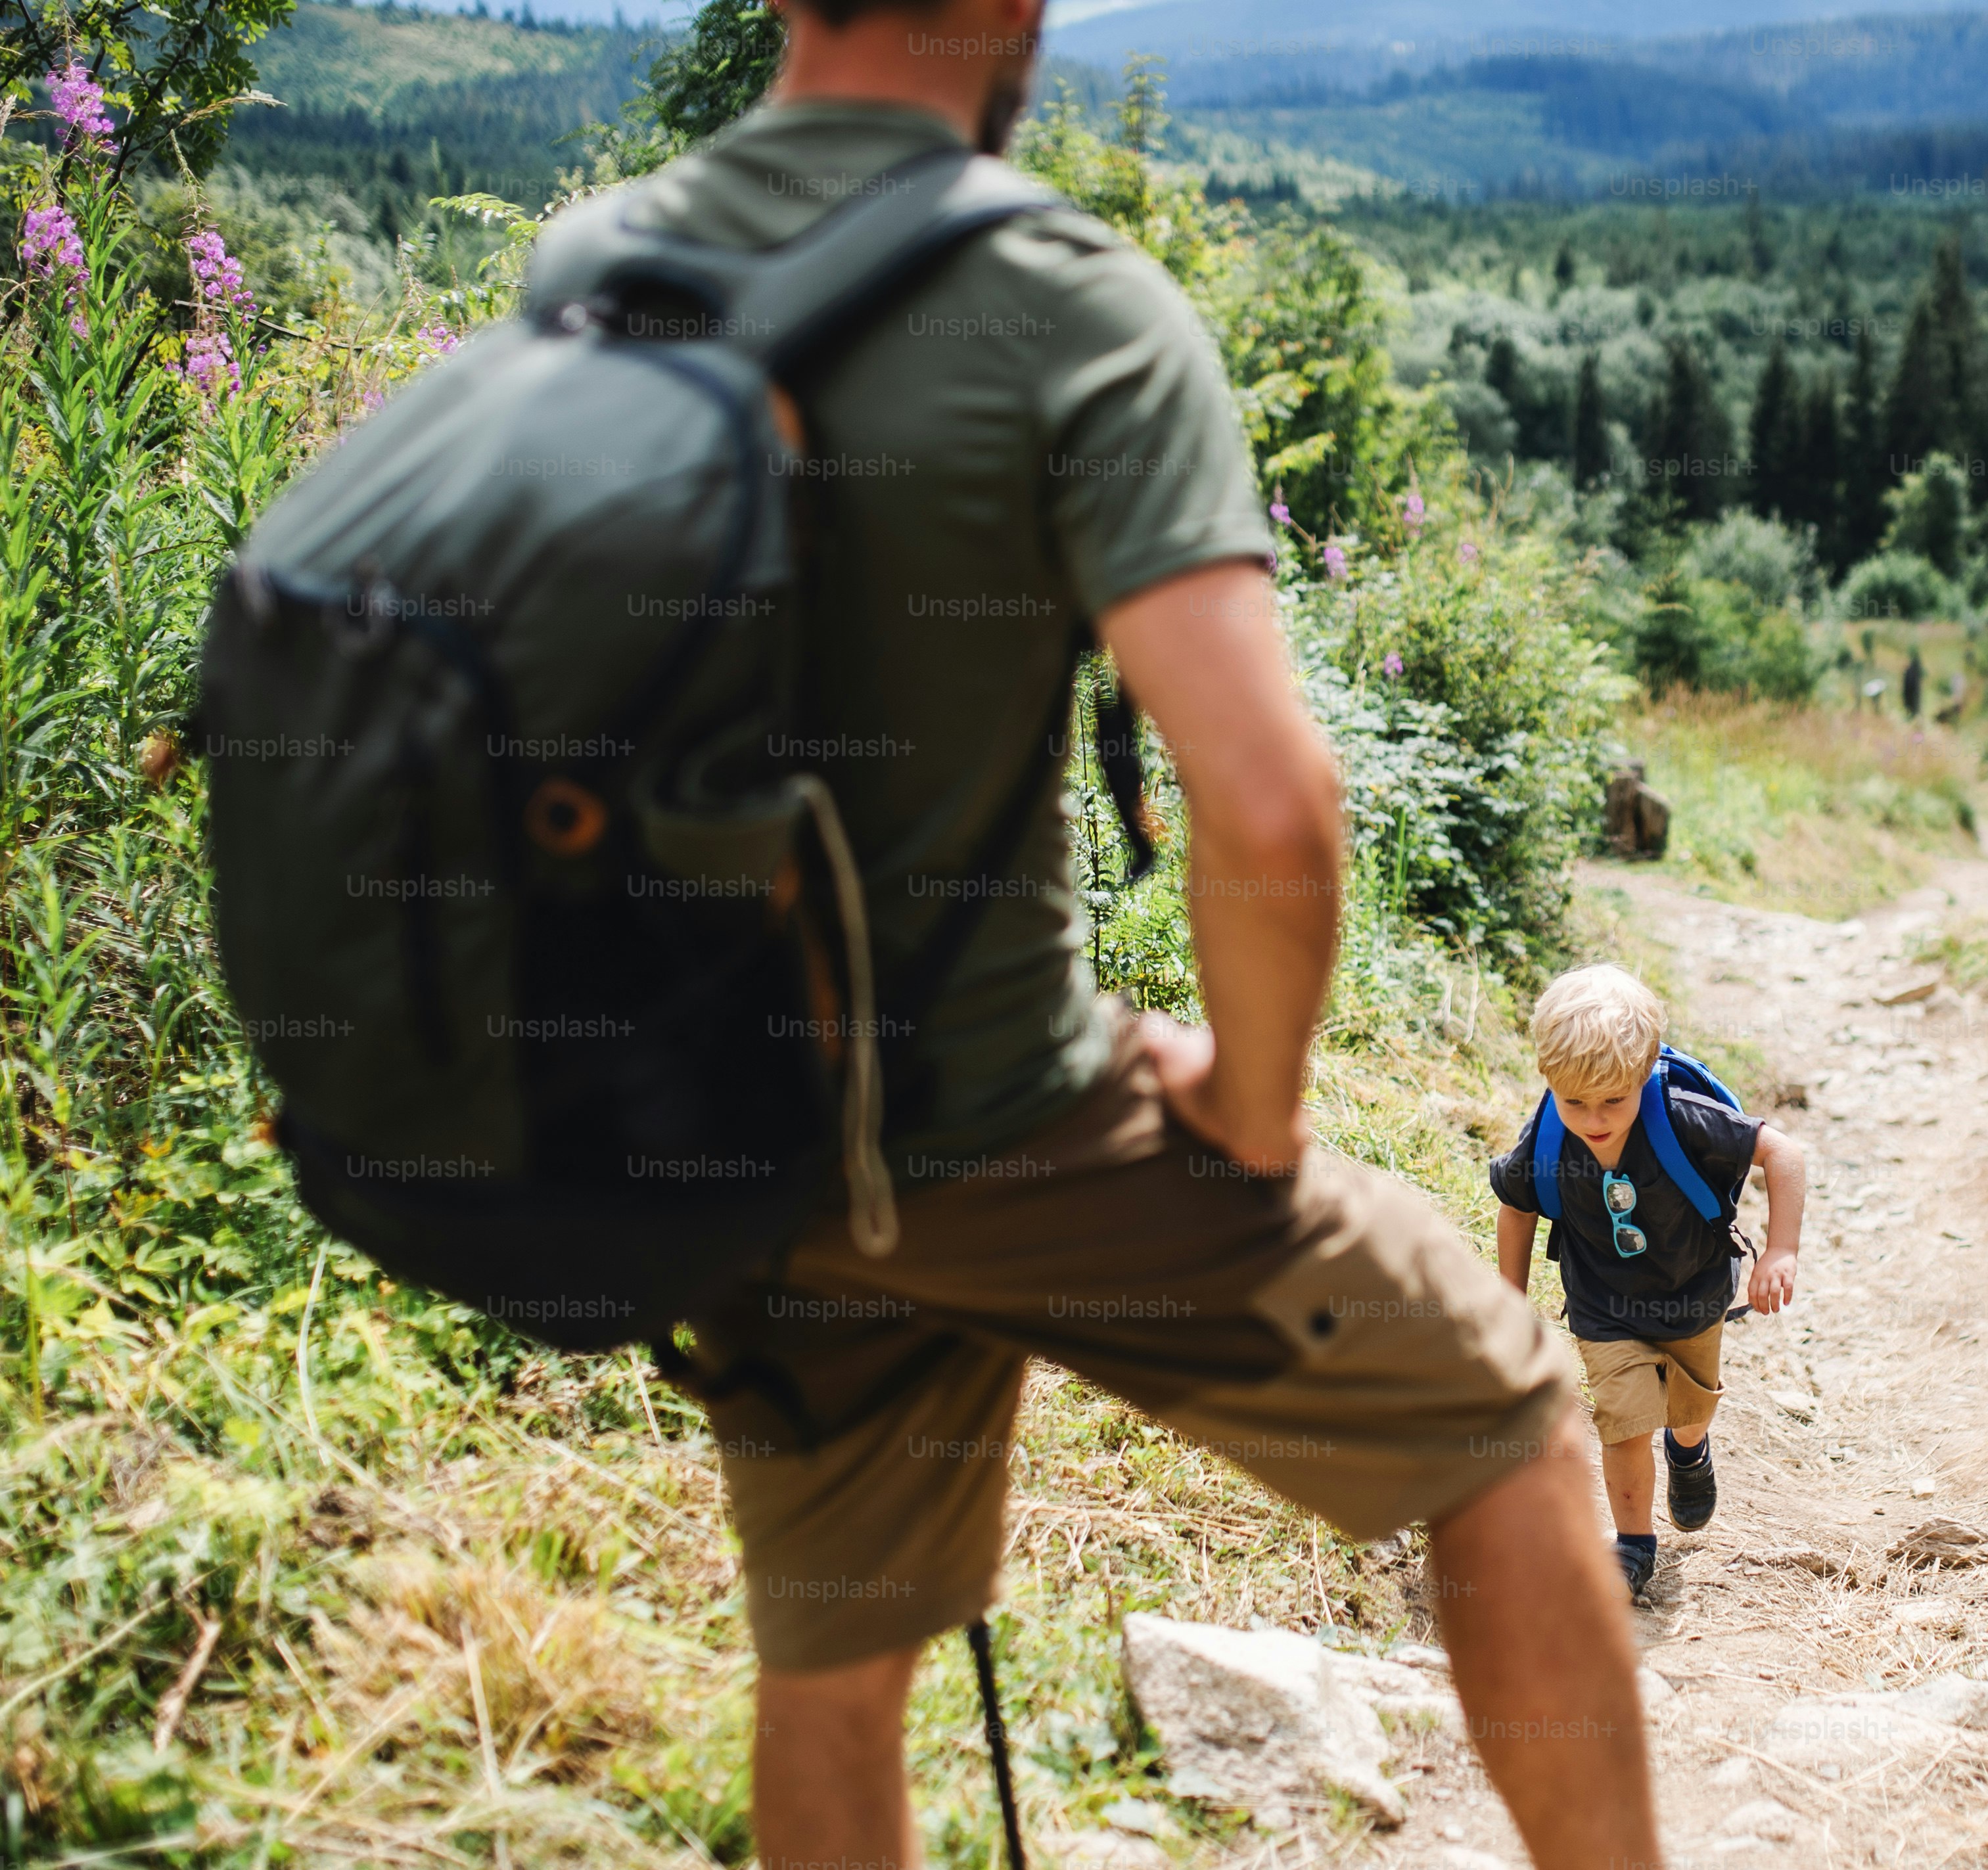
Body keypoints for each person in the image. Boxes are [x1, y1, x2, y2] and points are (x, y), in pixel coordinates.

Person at [635, 1, 1662, 1863]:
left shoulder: (605, 263)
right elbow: (1267, 800)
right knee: (1507, 1420)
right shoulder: (1053, 294)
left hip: (742, 1121)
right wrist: (1254, 1111)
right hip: (1009, 1099)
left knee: (834, 1669)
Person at [1490, 967, 1809, 1601]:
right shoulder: (1551, 1137)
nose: (1593, 1117)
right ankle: (1633, 1545)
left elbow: (1786, 1155)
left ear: (1641, 1076)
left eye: (1613, 1100)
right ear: (1550, 1082)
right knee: (1624, 1422)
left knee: (1689, 1413)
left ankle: (1690, 1451)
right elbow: (1518, 1207)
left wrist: (1781, 1250)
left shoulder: (1684, 1120)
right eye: (1574, 1101)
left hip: (1694, 1293)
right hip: (1602, 1305)